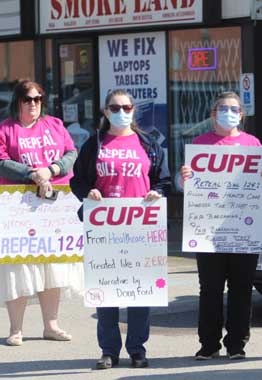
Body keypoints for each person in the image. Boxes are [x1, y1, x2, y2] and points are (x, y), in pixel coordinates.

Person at [70, 89, 171, 370]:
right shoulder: (95, 143)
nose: (122, 111)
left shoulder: (148, 142)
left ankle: (137, 349)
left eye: (127, 107)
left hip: (139, 227)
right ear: (105, 112)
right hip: (104, 227)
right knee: (106, 291)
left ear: (134, 110)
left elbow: (163, 180)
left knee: (140, 292)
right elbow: (77, 181)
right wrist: (88, 192)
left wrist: (156, 193)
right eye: (115, 107)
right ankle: (108, 351)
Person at [180, 91, 262, 361]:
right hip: (208, 229)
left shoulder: (252, 143)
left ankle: (236, 344)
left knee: (241, 288)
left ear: (242, 115)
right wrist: (184, 176)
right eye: (223, 108)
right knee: (209, 288)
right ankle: (208, 344)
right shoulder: (200, 143)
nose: (229, 112)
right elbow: (187, 185)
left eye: (234, 109)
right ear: (213, 114)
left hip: (243, 228)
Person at [0, 79, 83, 346]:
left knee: (51, 265)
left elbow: (70, 153)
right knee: (19, 267)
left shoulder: (54, 125)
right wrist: (33, 175)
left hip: (54, 206)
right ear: (17, 101)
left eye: (38, 99)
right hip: (17, 207)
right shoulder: (5, 129)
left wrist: (51, 171)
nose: (33, 104)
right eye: (28, 99)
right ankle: (15, 328)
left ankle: (51, 325)